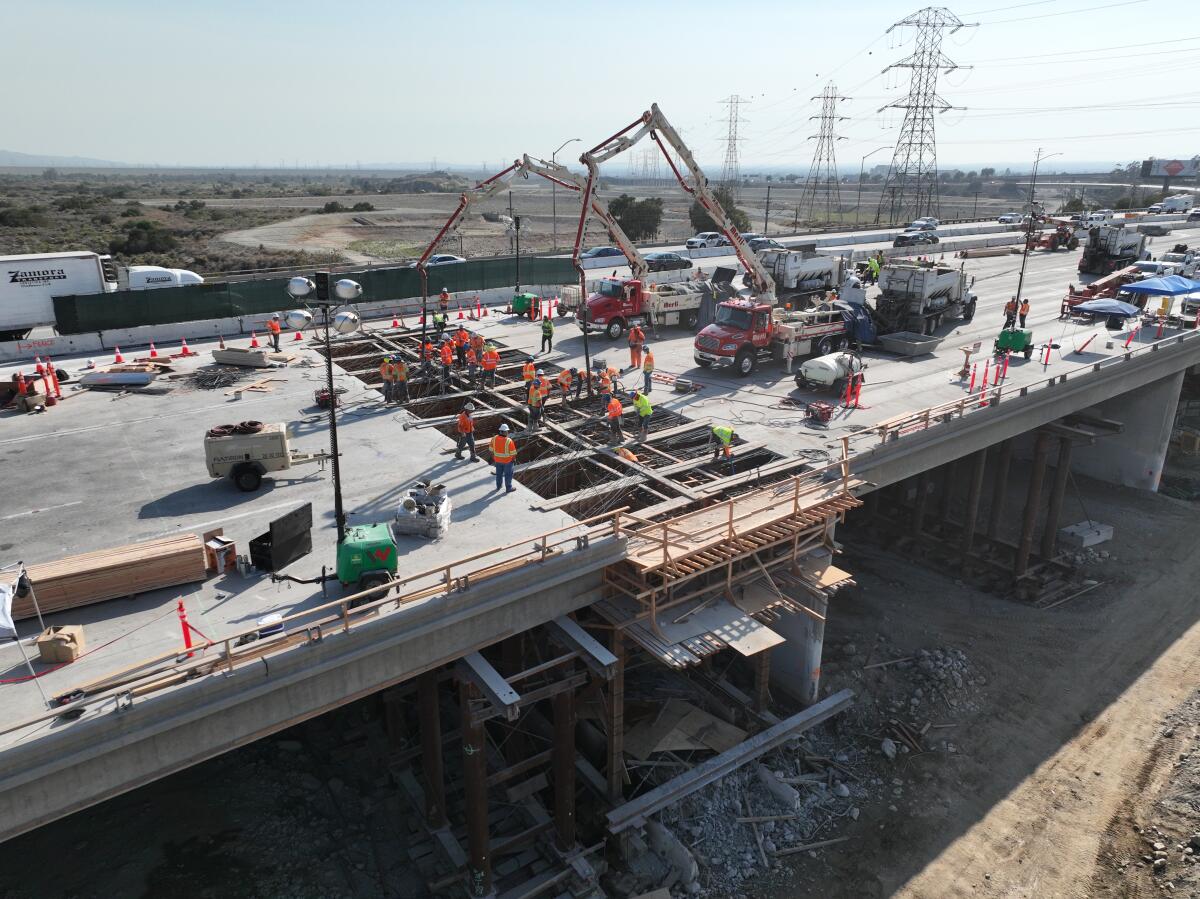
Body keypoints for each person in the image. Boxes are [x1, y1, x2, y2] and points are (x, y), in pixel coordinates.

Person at [490, 424, 517, 493]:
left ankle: (498, 486)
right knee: (508, 475)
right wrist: (513, 460)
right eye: (507, 431)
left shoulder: (494, 438)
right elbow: (513, 453)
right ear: (504, 432)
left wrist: (494, 458)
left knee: (499, 474)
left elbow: (491, 450)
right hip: (507, 462)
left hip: (497, 461)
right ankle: (508, 488)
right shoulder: (509, 441)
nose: (507, 433)